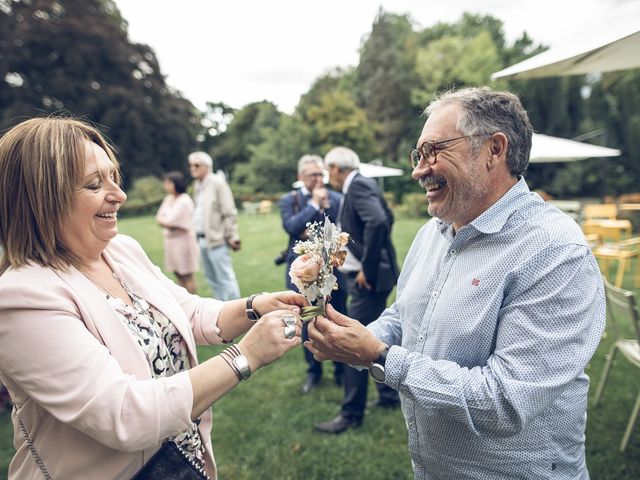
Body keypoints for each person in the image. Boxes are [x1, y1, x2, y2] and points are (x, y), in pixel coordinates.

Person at [306, 87, 606, 478]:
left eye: (434, 151)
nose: (418, 169)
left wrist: (377, 356)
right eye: (418, 155)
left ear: (494, 150)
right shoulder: (434, 231)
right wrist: (349, 337)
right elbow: (403, 317)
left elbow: (504, 401)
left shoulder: (554, 251)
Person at [0, 117, 305, 479]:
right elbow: (126, 414)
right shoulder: (21, 297)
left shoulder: (121, 250)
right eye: (95, 184)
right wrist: (246, 356)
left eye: (114, 177)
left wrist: (255, 306)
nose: (119, 195)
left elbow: (187, 311)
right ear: (41, 198)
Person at [313, 146, 400, 434]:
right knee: (377, 333)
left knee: (353, 341)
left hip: (369, 280)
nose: (329, 176)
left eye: (329, 170)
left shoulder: (359, 185)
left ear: (338, 167)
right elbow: (387, 218)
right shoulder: (362, 184)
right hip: (371, 276)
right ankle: (388, 396)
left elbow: (377, 221)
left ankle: (351, 414)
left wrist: (368, 267)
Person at [279, 154, 346, 394]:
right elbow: (292, 227)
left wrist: (326, 207)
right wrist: (313, 207)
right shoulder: (290, 200)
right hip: (303, 271)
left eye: (321, 174)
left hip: (333, 270)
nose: (318, 179)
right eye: (312, 175)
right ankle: (313, 371)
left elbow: (341, 230)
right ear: (301, 177)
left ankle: (341, 369)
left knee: (335, 315)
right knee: (308, 316)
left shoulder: (337, 198)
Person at [188, 151, 241, 301]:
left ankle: (238, 313)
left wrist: (232, 235)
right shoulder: (197, 184)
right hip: (201, 239)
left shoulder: (218, 183)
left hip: (217, 239)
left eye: (196, 165)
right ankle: (223, 312)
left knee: (225, 278)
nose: (192, 168)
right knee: (212, 280)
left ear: (207, 166)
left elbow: (229, 211)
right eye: (191, 165)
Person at [156, 171, 200, 294]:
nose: (165, 185)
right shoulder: (169, 199)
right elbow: (159, 218)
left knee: (186, 275)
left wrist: (166, 222)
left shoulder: (184, 200)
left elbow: (170, 221)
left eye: (168, 182)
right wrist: (167, 222)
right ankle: (185, 303)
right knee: (178, 275)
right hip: (171, 242)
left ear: (175, 184)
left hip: (184, 242)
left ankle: (193, 301)